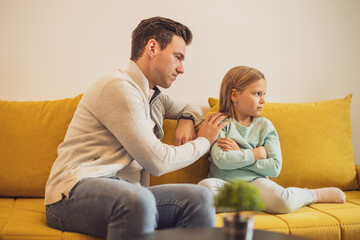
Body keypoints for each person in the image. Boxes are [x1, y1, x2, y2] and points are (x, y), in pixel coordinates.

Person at [45, 16, 229, 239]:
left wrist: (186, 118)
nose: (182, 69)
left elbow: (190, 106)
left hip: (128, 194)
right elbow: (157, 161)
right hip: (72, 194)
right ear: (152, 47)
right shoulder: (118, 87)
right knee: (138, 199)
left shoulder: (154, 97)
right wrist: (204, 141)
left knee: (200, 198)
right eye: (177, 57)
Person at [198, 66, 346, 214]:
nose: (263, 100)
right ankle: (254, 202)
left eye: (264, 94)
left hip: (256, 183)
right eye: (257, 94)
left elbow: (274, 167)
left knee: (284, 202)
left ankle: (314, 195)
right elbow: (222, 161)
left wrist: (238, 154)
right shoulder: (219, 123)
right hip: (224, 184)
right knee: (204, 189)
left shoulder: (265, 126)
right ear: (235, 95)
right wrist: (256, 153)